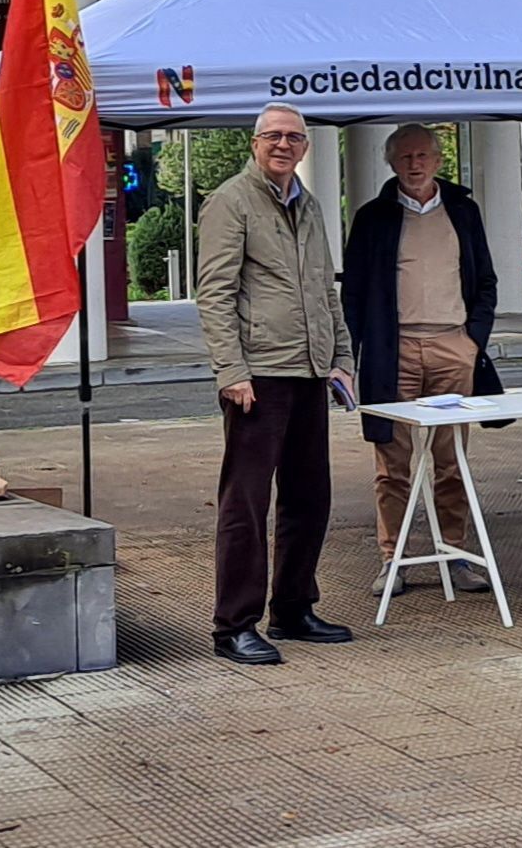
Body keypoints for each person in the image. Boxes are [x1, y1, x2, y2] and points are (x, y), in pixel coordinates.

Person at [197, 102, 356, 666]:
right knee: (245, 502)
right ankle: (233, 624)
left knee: (310, 497)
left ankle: (293, 608)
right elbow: (214, 295)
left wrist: (341, 358)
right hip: (259, 377)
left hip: (311, 372)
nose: (283, 145)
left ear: (305, 148)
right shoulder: (231, 202)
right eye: (273, 136)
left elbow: (324, 290)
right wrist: (231, 371)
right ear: (254, 143)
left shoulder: (308, 205)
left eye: (293, 137)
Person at [343, 123, 503, 598]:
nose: (415, 164)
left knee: (451, 460)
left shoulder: (463, 211)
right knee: (392, 462)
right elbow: (354, 291)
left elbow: (486, 281)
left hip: (453, 347)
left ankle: (454, 554)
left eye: (423, 156)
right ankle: (393, 558)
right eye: (405, 157)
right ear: (391, 163)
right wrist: (355, 353)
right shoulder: (373, 218)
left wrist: (473, 340)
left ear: (438, 160)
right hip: (394, 351)